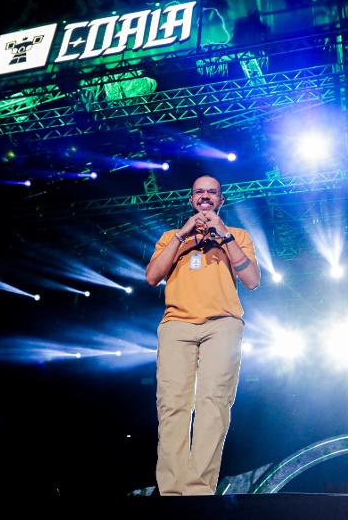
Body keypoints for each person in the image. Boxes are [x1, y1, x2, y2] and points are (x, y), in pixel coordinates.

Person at [145, 174, 260, 496]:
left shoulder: (237, 234)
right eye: (199, 192)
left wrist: (223, 236)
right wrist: (182, 235)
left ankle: (198, 491)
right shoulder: (172, 236)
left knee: (214, 403)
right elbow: (152, 277)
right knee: (171, 406)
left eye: (212, 192)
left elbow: (252, 279)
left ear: (221, 200)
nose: (205, 197)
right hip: (176, 325)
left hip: (221, 323)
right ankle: (171, 491)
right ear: (191, 200)